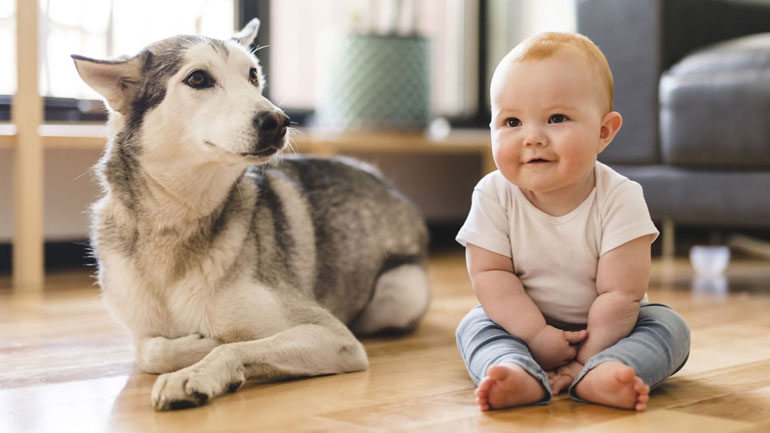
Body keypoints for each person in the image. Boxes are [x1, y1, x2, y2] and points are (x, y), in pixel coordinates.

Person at [454, 32, 690, 412]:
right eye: (512, 121)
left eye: (556, 118)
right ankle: (514, 370)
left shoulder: (620, 197)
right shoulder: (493, 194)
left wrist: (585, 358)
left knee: (669, 326)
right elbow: (490, 275)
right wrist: (535, 334)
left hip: (611, 330)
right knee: (474, 325)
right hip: (520, 323)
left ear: (603, 132)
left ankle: (606, 370)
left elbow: (620, 294)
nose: (532, 138)